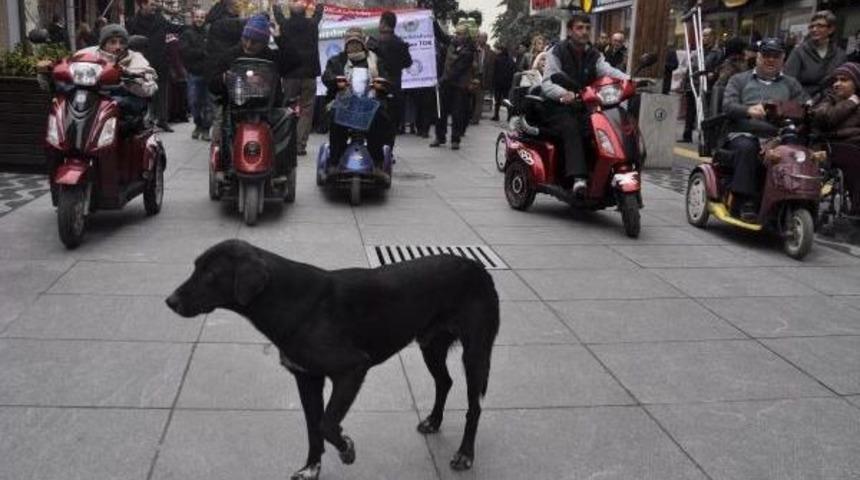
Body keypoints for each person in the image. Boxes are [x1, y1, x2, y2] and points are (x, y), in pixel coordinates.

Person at [541, 14, 627, 195]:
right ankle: (578, 178)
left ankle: (603, 173)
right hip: (558, 107)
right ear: (571, 31)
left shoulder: (594, 53)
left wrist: (629, 80)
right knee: (571, 126)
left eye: (587, 28)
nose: (584, 32)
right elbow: (548, 83)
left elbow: (608, 71)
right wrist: (563, 93)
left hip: (584, 106)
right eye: (580, 28)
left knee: (602, 125)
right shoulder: (557, 51)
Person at [722, 38, 807, 220]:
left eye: (776, 56)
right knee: (748, 148)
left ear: (783, 59)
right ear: (758, 57)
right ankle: (745, 201)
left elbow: (804, 107)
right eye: (766, 55)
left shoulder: (791, 84)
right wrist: (748, 110)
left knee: (798, 152)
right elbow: (728, 105)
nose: (771, 60)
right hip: (745, 132)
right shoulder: (739, 80)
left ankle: (795, 200)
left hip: (779, 134)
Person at [209, 14, 301, 177]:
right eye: (246, 39)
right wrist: (223, 79)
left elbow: (295, 61)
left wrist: (280, 38)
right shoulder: (230, 55)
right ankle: (226, 165)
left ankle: (282, 167)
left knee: (288, 119)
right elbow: (212, 83)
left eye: (255, 41)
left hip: (269, 109)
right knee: (223, 129)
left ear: (264, 42)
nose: (249, 44)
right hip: (236, 109)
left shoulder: (272, 57)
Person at [321, 27, 392, 169]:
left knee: (379, 117)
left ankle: (376, 160)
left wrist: (380, 84)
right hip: (344, 102)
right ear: (346, 44)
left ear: (363, 43)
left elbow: (386, 79)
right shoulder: (337, 61)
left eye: (356, 42)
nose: (353, 46)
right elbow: (327, 76)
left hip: (370, 104)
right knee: (336, 116)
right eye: (350, 43)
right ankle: (336, 160)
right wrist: (336, 81)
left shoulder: (374, 60)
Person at [273, 0, 324, 156]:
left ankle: (287, 142)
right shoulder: (312, 24)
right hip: (309, 74)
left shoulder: (285, 24)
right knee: (307, 109)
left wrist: (276, 5)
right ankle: (300, 145)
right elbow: (319, 13)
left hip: (290, 74)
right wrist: (320, 3)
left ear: (290, 12)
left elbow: (278, 14)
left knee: (288, 107)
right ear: (305, 12)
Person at [126, 0, 184, 131]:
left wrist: (187, 24)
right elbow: (128, 42)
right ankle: (145, 119)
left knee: (162, 92)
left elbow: (175, 28)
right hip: (141, 64)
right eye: (151, 4)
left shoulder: (160, 19)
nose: (155, 7)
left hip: (161, 61)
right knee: (143, 91)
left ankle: (162, 120)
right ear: (142, 5)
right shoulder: (132, 22)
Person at [811, 62, 860, 213]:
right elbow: (825, 119)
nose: (837, 84)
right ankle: (855, 213)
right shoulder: (828, 100)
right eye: (836, 80)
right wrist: (850, 103)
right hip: (833, 147)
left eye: (844, 80)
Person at [430, 24, 475, 151]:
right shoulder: (452, 42)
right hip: (446, 84)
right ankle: (440, 137)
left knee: (457, 113)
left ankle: (455, 140)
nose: (457, 36)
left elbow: (457, 70)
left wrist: (441, 80)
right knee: (441, 112)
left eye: (460, 34)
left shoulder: (469, 50)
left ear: (466, 35)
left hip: (459, 85)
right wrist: (433, 20)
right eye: (456, 33)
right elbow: (441, 35)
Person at [367, 11, 413, 134]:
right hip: (394, 85)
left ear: (383, 23)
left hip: (376, 86)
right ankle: (388, 149)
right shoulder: (400, 43)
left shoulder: (373, 43)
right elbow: (408, 63)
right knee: (392, 122)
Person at [785, 10, 846, 96]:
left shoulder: (840, 55)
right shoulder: (799, 52)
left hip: (830, 102)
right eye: (812, 26)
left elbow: (843, 82)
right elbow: (788, 82)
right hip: (802, 100)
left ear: (831, 29)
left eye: (820, 26)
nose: (814, 29)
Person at [682, 26, 722, 142]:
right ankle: (687, 135)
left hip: (706, 86)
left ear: (713, 37)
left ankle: (704, 136)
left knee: (704, 112)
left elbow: (719, 68)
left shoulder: (717, 52)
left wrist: (713, 74)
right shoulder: (697, 52)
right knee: (690, 112)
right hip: (693, 85)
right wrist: (685, 83)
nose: (704, 38)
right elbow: (690, 67)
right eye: (703, 35)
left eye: (707, 35)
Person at [179, 9, 211, 140]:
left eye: (202, 17)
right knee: (194, 102)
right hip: (194, 73)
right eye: (197, 17)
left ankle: (205, 129)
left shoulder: (209, 33)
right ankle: (198, 124)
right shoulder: (187, 33)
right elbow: (185, 52)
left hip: (208, 74)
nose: (199, 19)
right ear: (193, 18)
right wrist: (202, 52)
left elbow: (212, 51)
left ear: (205, 19)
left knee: (208, 104)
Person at [468, 32, 493, 125]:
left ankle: (475, 119)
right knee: (469, 99)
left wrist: (488, 82)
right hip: (472, 76)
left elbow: (491, 67)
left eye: (484, 38)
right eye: (480, 38)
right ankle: (467, 116)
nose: (482, 40)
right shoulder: (473, 49)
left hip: (482, 77)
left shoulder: (489, 51)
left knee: (479, 100)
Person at [490, 44, 516, 121]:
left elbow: (494, 71)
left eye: (498, 49)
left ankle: (496, 115)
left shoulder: (497, 59)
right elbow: (513, 71)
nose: (496, 51)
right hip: (507, 83)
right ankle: (509, 116)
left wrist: (492, 82)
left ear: (501, 50)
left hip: (498, 83)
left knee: (497, 100)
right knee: (506, 99)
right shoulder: (511, 60)